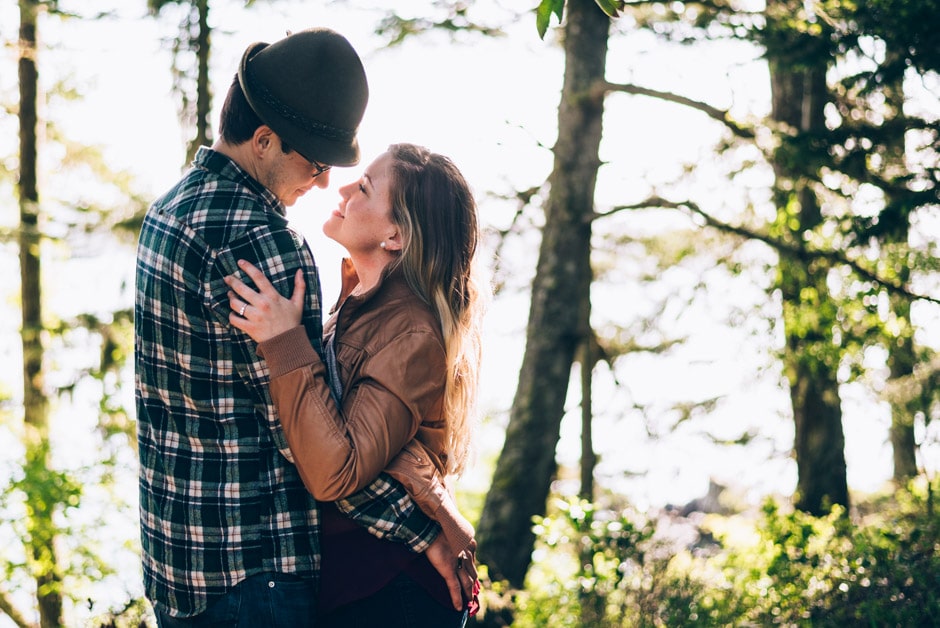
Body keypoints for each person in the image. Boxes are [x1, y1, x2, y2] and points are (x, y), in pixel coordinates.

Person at [135, 29, 468, 627]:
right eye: (315, 163)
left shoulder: (170, 209)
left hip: (179, 560)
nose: (322, 184)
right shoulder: (266, 246)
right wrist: (427, 531)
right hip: (256, 566)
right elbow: (311, 449)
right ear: (264, 141)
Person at [224, 142, 485, 626]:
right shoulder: (361, 302)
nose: (341, 186)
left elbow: (335, 472)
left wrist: (284, 342)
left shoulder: (411, 330)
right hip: (359, 583)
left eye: (364, 186)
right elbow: (348, 427)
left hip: (391, 591)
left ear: (396, 236)